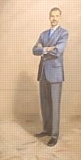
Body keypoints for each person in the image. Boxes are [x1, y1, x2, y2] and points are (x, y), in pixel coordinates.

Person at [32, 8, 67, 147]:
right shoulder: (43, 34)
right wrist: (47, 49)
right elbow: (34, 50)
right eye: (52, 16)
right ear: (49, 17)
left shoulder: (63, 33)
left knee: (54, 105)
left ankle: (54, 135)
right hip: (43, 73)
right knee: (45, 103)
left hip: (55, 73)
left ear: (60, 17)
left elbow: (59, 50)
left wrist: (44, 49)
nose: (54, 18)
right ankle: (46, 130)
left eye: (57, 16)